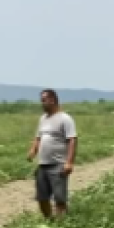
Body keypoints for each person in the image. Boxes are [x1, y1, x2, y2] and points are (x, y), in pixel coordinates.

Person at [26, 89, 77, 220]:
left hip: (58, 164)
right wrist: (33, 150)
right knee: (42, 198)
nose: (42, 103)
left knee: (59, 198)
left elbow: (72, 140)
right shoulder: (43, 119)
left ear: (52, 100)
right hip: (43, 164)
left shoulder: (65, 119)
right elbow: (38, 137)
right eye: (41, 101)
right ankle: (49, 221)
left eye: (44, 100)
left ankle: (62, 223)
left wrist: (69, 162)